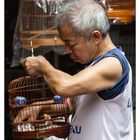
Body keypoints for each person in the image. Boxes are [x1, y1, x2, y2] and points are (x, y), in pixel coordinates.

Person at [15, 0, 134, 139]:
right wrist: (40, 107)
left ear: (96, 36)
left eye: (71, 43)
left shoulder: (113, 64)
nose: (67, 50)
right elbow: (72, 102)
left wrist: (43, 66)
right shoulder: (94, 65)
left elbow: (65, 86)